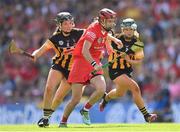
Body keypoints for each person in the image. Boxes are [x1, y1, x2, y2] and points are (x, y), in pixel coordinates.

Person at [59, 8, 123, 127]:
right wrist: (94, 64)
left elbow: (105, 35)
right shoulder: (93, 30)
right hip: (81, 62)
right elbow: (84, 51)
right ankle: (63, 122)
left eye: (112, 21)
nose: (112, 23)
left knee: (101, 89)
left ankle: (85, 110)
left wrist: (114, 39)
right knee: (75, 99)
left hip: (95, 61)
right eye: (110, 21)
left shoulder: (104, 29)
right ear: (102, 21)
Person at [31, 12, 84, 127]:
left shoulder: (79, 33)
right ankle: (45, 117)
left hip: (73, 70)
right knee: (49, 88)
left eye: (70, 23)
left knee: (59, 97)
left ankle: (47, 118)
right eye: (65, 24)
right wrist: (35, 54)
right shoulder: (55, 38)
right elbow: (42, 49)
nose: (69, 26)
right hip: (59, 65)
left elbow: (95, 35)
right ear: (59, 25)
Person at [99, 18, 157, 122]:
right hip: (115, 70)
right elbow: (104, 37)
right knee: (135, 88)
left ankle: (106, 99)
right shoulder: (116, 39)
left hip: (127, 71)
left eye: (130, 29)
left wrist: (128, 59)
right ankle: (146, 115)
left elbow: (138, 61)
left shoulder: (137, 43)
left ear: (134, 29)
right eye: (126, 29)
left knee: (119, 93)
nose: (128, 32)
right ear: (122, 30)